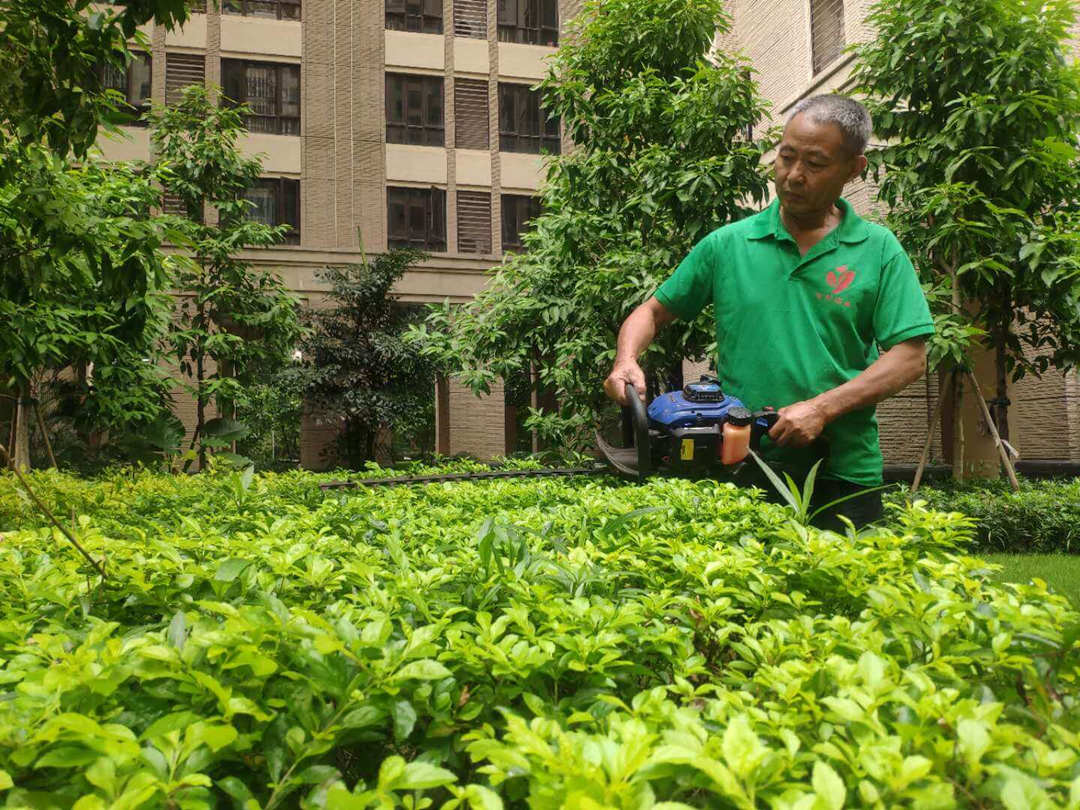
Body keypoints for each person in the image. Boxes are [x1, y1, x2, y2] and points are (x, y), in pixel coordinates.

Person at [603, 95, 934, 531]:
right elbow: (652, 312)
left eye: (815, 163)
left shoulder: (878, 250)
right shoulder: (728, 244)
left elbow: (910, 356)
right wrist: (626, 360)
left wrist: (822, 408)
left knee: (843, 596)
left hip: (844, 473)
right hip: (743, 467)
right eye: (786, 156)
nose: (794, 176)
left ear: (854, 169)